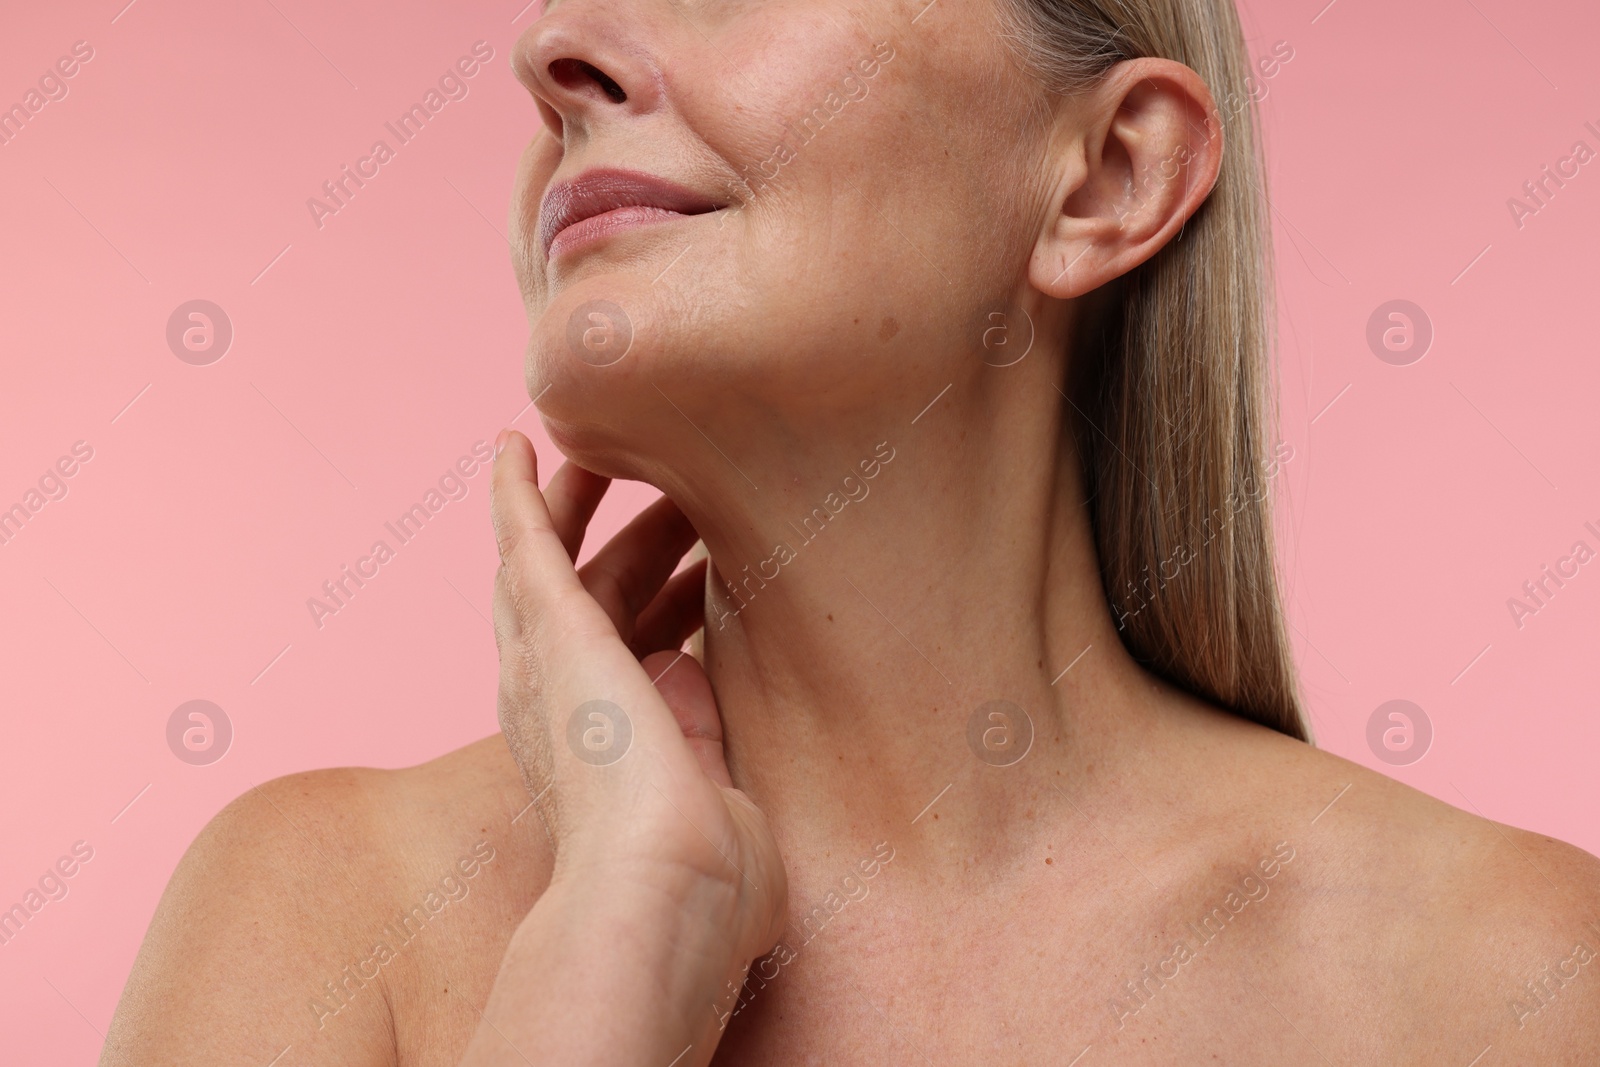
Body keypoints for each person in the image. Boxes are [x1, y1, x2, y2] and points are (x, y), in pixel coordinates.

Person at [103, 0, 1600, 1062]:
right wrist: (606, 976)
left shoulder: (1517, 982)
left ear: (1109, 175)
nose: (545, 52)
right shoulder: (314, 920)